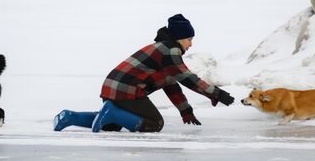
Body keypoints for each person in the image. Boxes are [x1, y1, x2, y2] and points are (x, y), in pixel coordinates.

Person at [53, 14, 235, 133]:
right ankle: (113, 113)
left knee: (112, 126)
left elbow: (172, 85)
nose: (191, 44)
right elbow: (187, 78)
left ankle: (69, 117)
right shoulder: (170, 50)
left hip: (112, 87)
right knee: (154, 124)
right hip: (127, 90)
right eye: (189, 39)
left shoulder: (162, 49)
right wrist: (216, 93)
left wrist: (186, 111)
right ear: (180, 38)